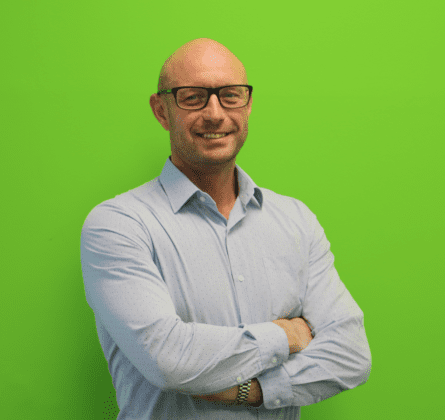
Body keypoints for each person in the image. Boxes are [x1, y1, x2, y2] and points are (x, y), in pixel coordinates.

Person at [80, 37, 371, 420]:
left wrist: (254, 391)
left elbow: (351, 353)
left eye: (230, 95)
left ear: (247, 105)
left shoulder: (296, 220)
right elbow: (167, 360)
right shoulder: (119, 225)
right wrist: (286, 335)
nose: (215, 114)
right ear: (162, 111)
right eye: (193, 97)